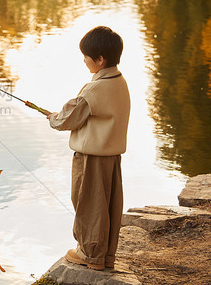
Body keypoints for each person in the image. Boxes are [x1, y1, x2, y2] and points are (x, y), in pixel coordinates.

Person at [26, 25, 130, 271]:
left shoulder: (94, 88)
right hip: (112, 157)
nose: (84, 61)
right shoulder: (120, 82)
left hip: (91, 158)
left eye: (86, 56)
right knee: (108, 206)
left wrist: (53, 118)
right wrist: (60, 115)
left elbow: (68, 118)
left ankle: (89, 254)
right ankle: (105, 256)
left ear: (100, 59)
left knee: (89, 205)